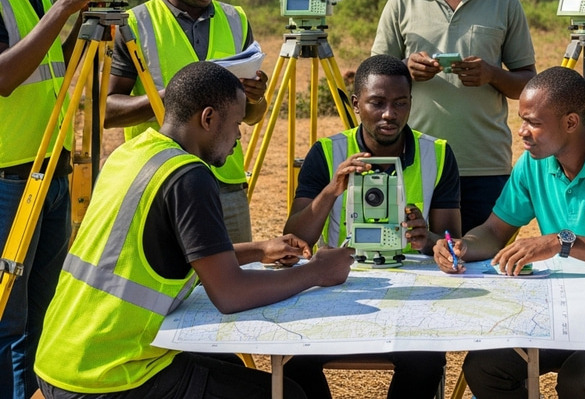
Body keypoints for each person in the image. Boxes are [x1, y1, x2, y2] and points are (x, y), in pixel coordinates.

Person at [34, 60, 353, 399]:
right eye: (235, 123)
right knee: (290, 395)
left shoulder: (132, 153)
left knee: (227, 361)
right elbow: (230, 294)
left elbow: (177, 255)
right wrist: (317, 272)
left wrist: (260, 249)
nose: (239, 135)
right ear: (208, 118)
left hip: (61, 359)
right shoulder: (189, 176)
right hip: (112, 377)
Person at [433, 67, 585, 399]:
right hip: (566, 311)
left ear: (571, 123)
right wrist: (463, 247)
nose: (522, 132)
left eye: (534, 123)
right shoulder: (534, 163)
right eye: (522, 120)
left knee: (578, 382)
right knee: (485, 367)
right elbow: (493, 231)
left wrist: (563, 242)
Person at [282, 54, 461, 399]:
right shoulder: (327, 153)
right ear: (355, 104)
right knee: (294, 361)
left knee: (426, 361)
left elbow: (450, 240)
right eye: (377, 103)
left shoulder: (437, 153)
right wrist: (333, 188)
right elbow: (296, 238)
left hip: (411, 298)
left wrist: (429, 240)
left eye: (400, 103)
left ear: (411, 103)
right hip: (340, 291)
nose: (389, 114)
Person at [0, 0, 113, 399]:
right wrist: (64, 8)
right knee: (6, 318)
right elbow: (4, 77)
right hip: (7, 179)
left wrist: (83, 21)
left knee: (41, 315)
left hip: (51, 168)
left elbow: (53, 65)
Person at [372, 0, 536, 232]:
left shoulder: (504, 3)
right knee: (412, 261)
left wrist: (492, 75)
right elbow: (373, 81)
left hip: (484, 166)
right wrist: (405, 69)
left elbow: (527, 85)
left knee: (484, 266)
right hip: (415, 162)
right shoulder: (401, 2)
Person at [105, 0, 268, 243]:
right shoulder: (135, 23)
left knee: (236, 284)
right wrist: (172, 99)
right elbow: (107, 110)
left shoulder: (236, 19)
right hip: (160, 181)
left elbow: (252, 116)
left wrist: (256, 97)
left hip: (227, 185)